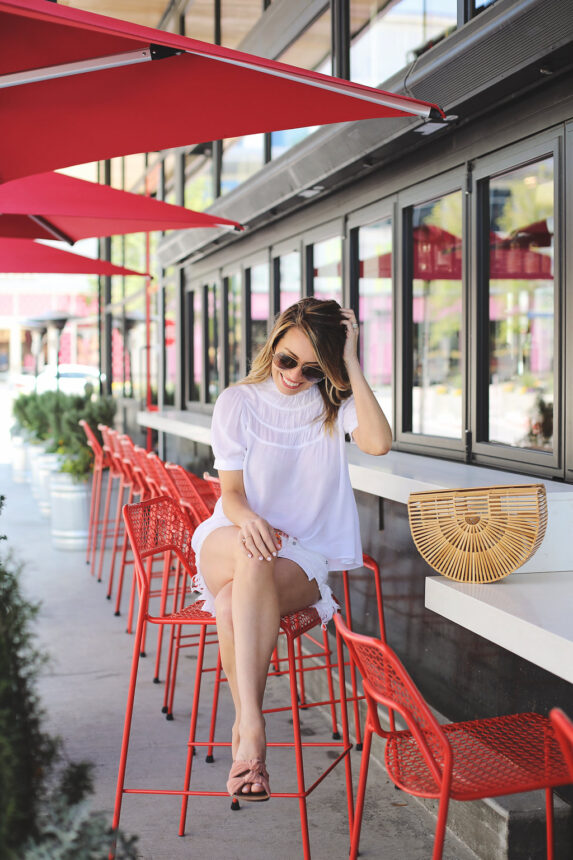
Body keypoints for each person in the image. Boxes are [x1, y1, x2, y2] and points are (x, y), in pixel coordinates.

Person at [191, 297, 392, 802]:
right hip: (230, 533)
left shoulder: (331, 405)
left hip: (299, 556)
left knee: (238, 591)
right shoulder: (238, 401)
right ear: (274, 345)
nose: (295, 376)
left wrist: (350, 363)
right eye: (287, 361)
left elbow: (379, 442)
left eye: (312, 367)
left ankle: (246, 730)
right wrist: (253, 520)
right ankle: (255, 731)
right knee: (249, 549)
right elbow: (231, 496)